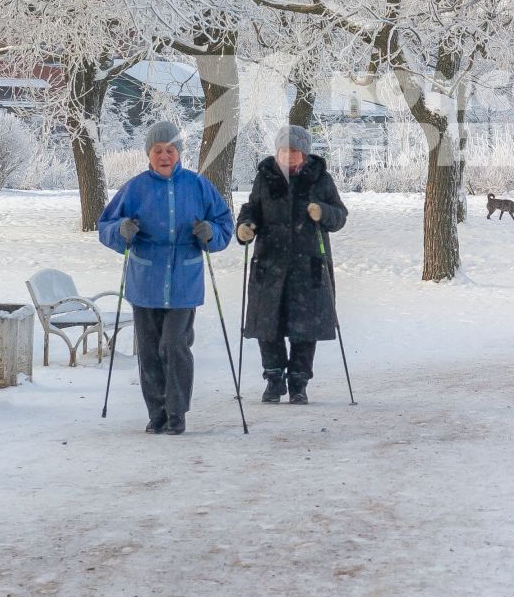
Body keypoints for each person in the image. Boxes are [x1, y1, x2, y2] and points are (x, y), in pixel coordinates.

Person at [96, 122, 233, 435]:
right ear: (148, 154)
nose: (164, 155)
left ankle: (176, 411)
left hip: (185, 278)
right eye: (157, 150)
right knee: (148, 351)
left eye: (170, 150)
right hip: (145, 279)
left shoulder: (198, 186)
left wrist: (210, 233)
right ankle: (156, 412)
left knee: (174, 346)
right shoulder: (135, 188)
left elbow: (224, 223)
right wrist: (121, 230)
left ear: (179, 153)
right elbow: (106, 224)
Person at [234, 126, 348, 405]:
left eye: (294, 152)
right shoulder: (266, 177)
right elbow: (252, 209)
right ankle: (273, 379)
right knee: (267, 324)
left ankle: (299, 382)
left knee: (304, 327)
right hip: (270, 263)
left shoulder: (320, 179)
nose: (289, 156)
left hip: (307, 265)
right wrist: (245, 227)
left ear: (305, 154)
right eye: (284, 151)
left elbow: (340, 216)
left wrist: (323, 212)